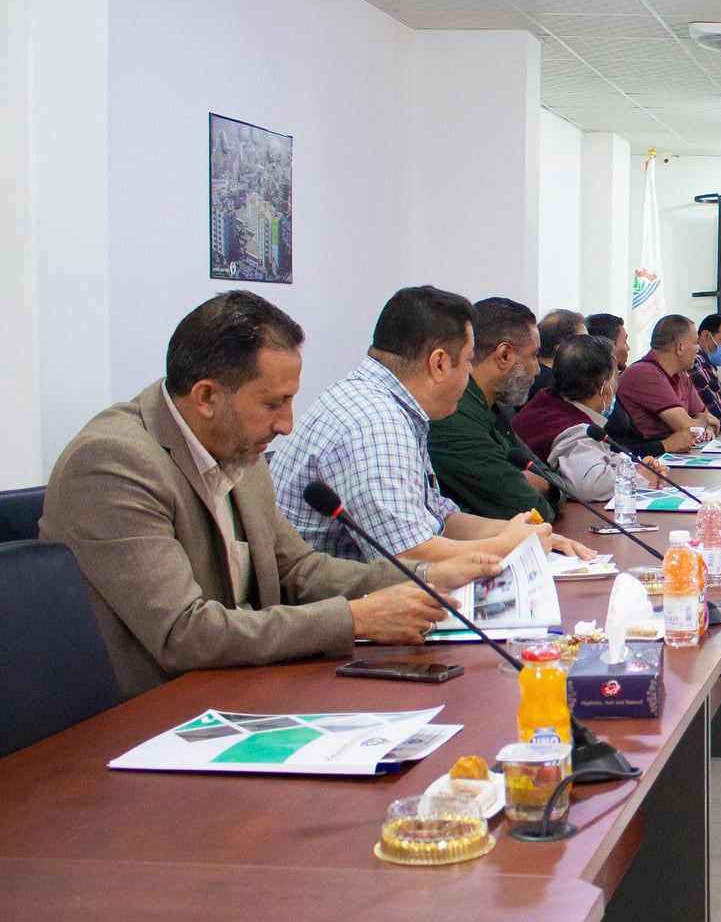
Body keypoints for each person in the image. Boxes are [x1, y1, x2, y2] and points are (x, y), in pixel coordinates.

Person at [41, 292, 501, 698]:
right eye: (273, 403)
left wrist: (426, 577)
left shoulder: (239, 447)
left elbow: (298, 569)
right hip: (150, 716)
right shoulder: (115, 464)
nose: (287, 425)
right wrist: (355, 618)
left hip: (242, 685)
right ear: (206, 397)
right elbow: (183, 633)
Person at [271, 286, 590, 564]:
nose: (469, 374)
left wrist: (517, 531)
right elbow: (407, 557)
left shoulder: (394, 406)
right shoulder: (375, 423)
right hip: (336, 616)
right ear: (438, 364)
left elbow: (437, 516)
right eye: (467, 361)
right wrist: (504, 546)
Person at [426, 297, 558, 522]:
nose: (537, 371)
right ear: (504, 355)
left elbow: (555, 480)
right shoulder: (454, 415)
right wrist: (540, 486)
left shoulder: (494, 409)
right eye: (534, 356)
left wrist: (543, 484)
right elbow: (532, 510)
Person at [516, 334, 668, 502]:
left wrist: (633, 466)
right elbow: (590, 485)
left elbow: (595, 459)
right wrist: (640, 477)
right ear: (604, 389)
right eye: (615, 376)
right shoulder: (573, 430)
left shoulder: (549, 400)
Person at [617, 313, 716, 448]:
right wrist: (705, 421)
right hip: (649, 458)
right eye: (695, 343)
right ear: (680, 347)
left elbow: (711, 420)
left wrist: (708, 427)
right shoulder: (644, 373)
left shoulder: (681, 375)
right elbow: (687, 427)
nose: (697, 349)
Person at [529, 308, 586, 401]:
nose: (589, 349)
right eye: (583, 342)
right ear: (561, 349)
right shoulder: (558, 386)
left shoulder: (532, 375)